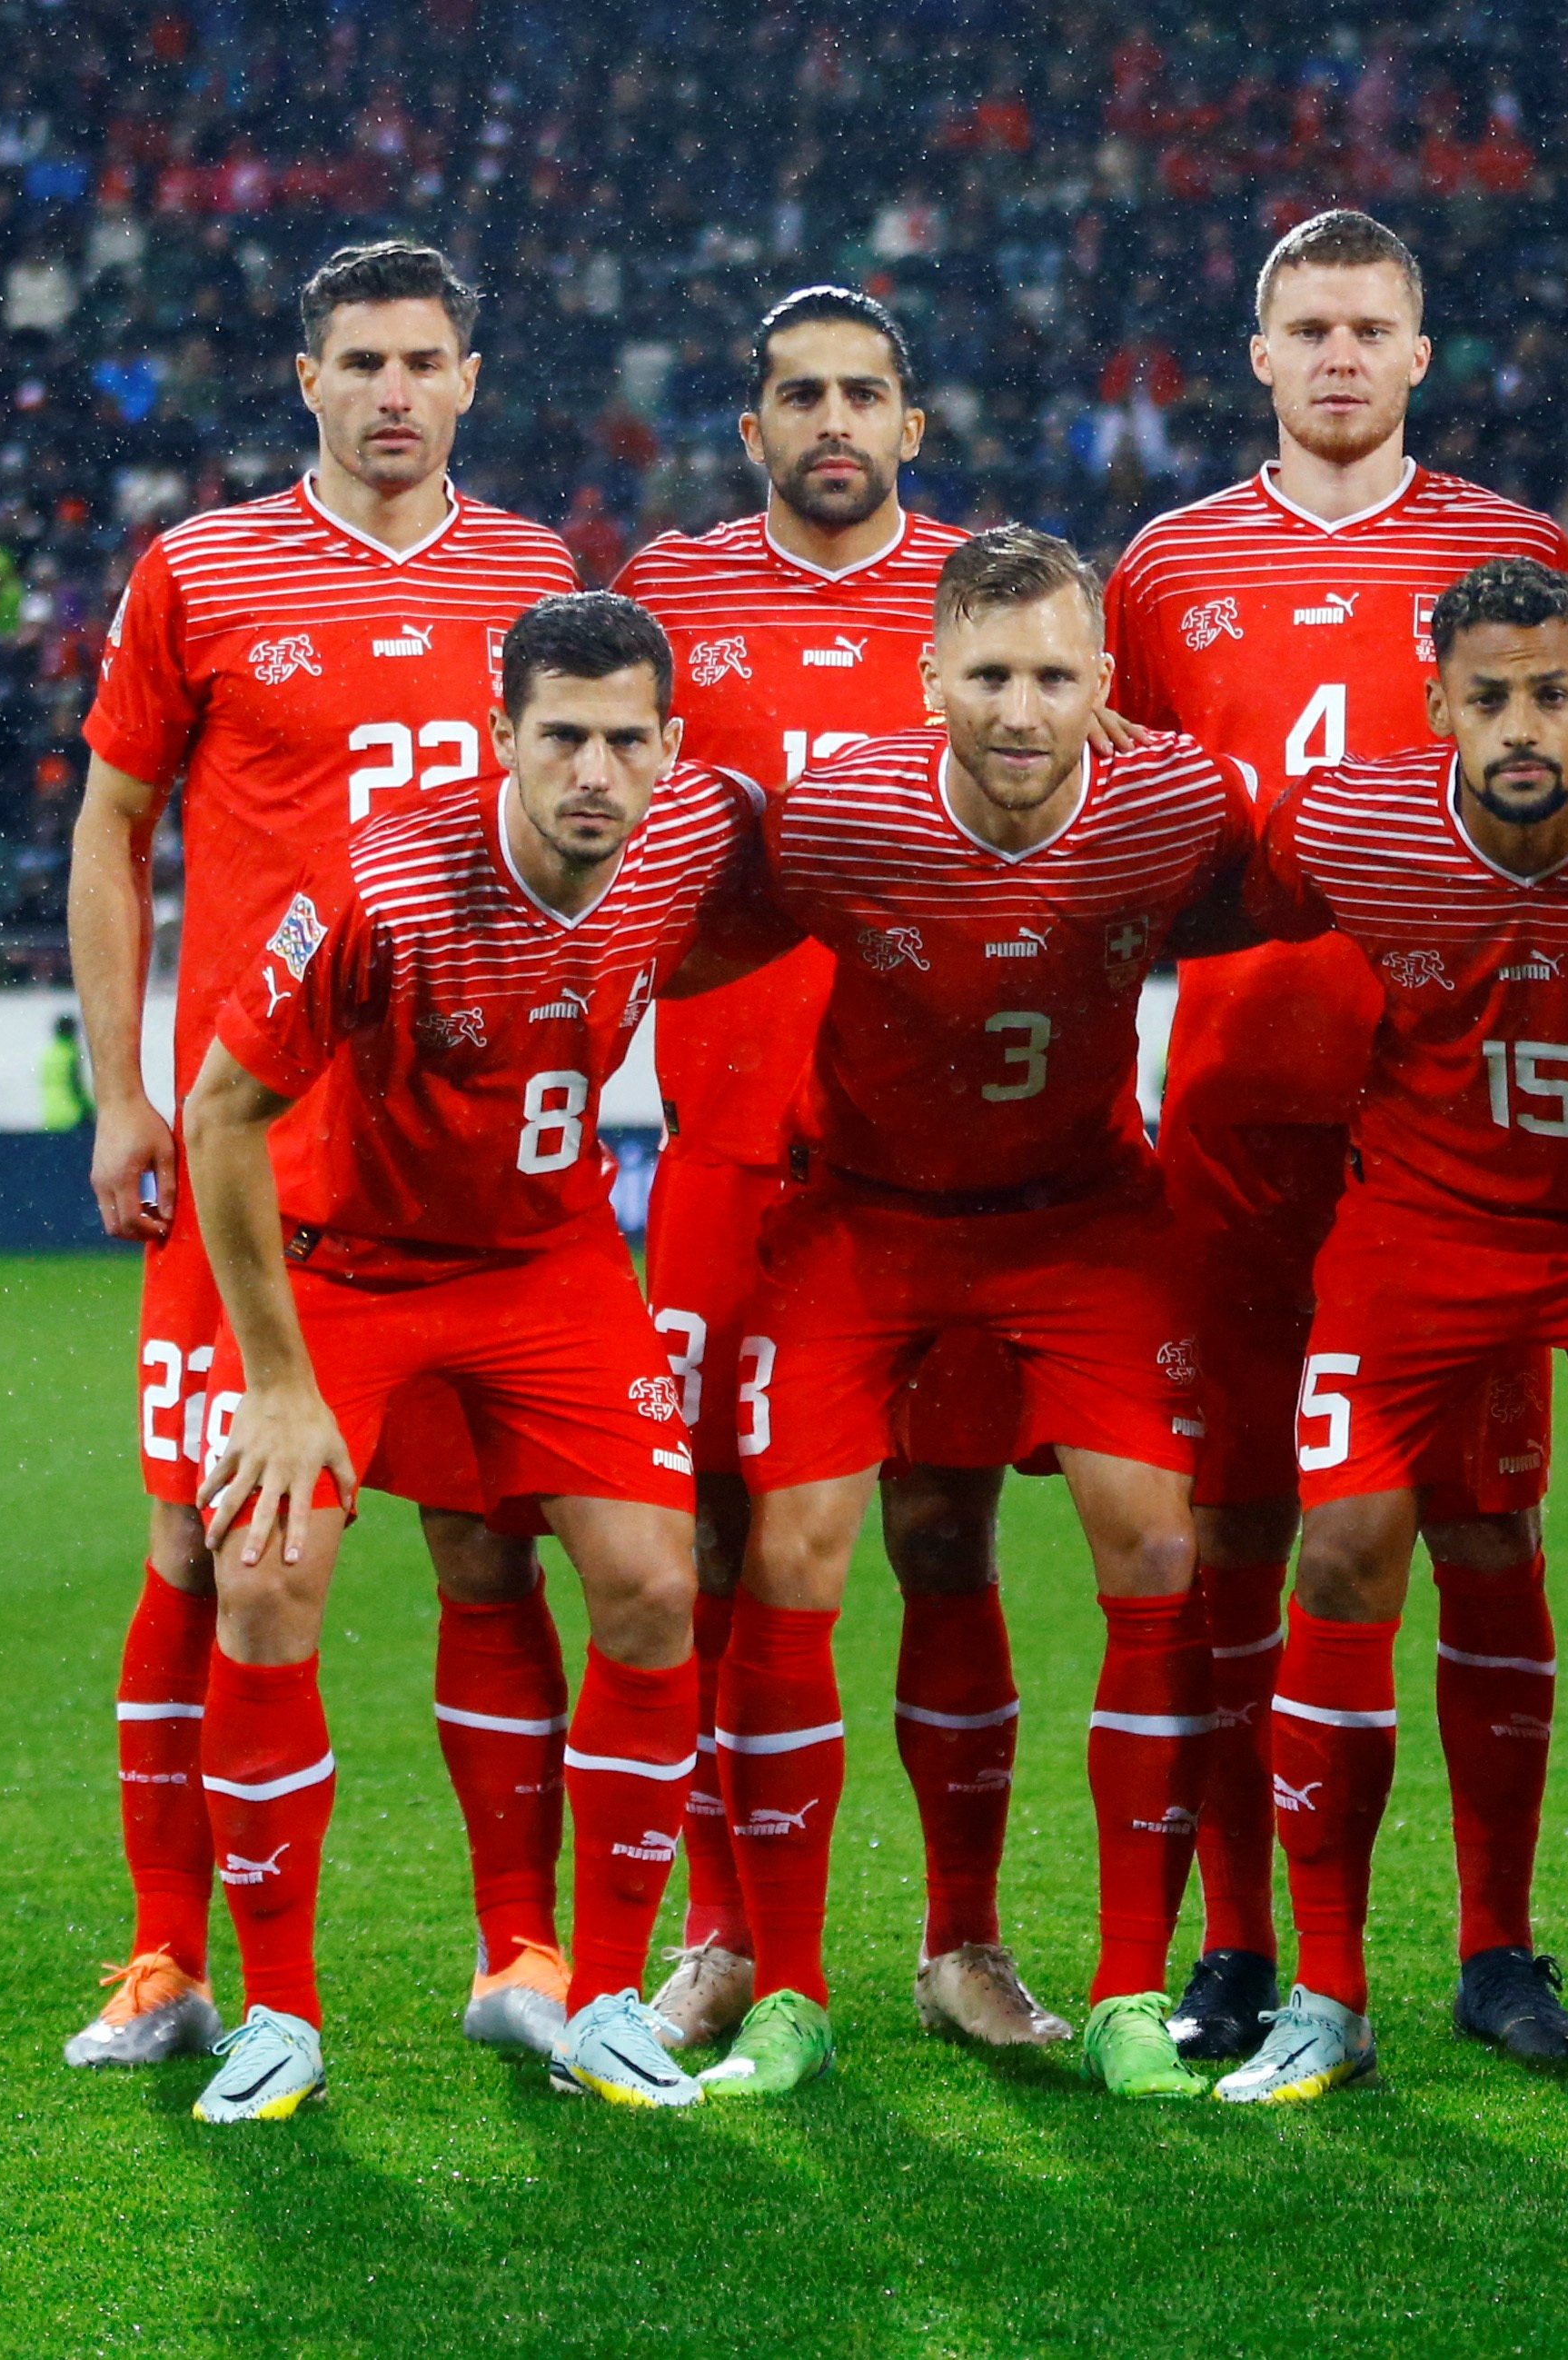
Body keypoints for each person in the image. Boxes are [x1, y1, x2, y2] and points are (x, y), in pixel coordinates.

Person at [62, 240, 583, 2074]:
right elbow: (118, 823)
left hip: (453, 1163)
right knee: (200, 1546)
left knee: (486, 1543)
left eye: (422, 360)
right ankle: (163, 1955)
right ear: (306, 376)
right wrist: (122, 1088)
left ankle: (520, 1946)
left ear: (467, 378)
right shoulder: (198, 571)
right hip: (247, 1146)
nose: (389, 391)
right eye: (358, 359)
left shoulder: (536, 577)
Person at [1219, 558, 1568, 2106]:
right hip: (1421, 1233)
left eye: (1552, 693)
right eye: (1490, 698)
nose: (1522, 724)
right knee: (1341, 1553)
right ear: (1439, 709)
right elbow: (1220, 899)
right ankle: (1328, 1993)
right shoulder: (1348, 821)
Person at [685, 526, 1251, 2105]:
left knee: (1156, 1550)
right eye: (990, 673)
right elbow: (687, 938)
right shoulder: (843, 816)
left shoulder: (1181, 802)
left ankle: (1131, 1987)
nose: (1020, 706)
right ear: (928, 676)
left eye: (1056, 675)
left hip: (1082, 1222)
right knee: (790, 1556)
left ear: (1106, 688)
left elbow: (1302, 883)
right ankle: (789, 1990)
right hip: (862, 1220)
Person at [1100, 209, 1568, 2066]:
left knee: (1480, 1523)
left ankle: (1497, 1940)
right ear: (1257, 351)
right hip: (1230, 1111)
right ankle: (1236, 1939)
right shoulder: (1166, 569)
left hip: (1458, 1120)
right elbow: (1132, 833)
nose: (1339, 355)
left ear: (1421, 349)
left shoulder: (1514, 553)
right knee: (1233, 1528)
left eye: (1372, 325)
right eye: (1307, 325)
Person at [174, 591, 755, 2121]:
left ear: (667, 749)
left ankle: (603, 1994)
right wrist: (283, 1382)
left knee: (650, 1579)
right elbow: (224, 1110)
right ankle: (281, 2013)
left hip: (553, 1268)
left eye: (626, 740)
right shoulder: (377, 886)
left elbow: (797, 840)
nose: (593, 772)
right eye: (559, 735)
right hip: (354, 1273)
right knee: (262, 1575)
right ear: (502, 737)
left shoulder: (692, 833)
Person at [610, 285, 1069, 2060]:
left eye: (863, 393)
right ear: (749, 428)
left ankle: (962, 1942)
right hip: (732, 1156)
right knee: (726, 1544)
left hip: (942, 1164)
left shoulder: (989, 602)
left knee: (943, 1528)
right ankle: (727, 1937)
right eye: (798, 394)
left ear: (912, 421)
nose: (831, 420)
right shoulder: (668, 594)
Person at [40, 1013, 94, 1130]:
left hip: (51, 1114)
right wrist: (89, 1110)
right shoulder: (71, 1053)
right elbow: (75, 1086)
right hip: (73, 1115)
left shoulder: (49, 1054)